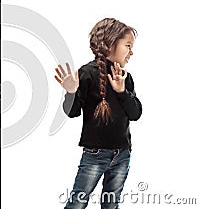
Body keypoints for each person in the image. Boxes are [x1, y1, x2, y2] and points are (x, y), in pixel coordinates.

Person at [54, 17, 142, 208]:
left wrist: (121, 91)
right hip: (95, 155)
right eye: (128, 45)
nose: (132, 52)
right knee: (77, 203)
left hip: (122, 154)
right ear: (110, 44)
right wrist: (70, 92)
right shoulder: (87, 73)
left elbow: (135, 114)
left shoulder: (126, 78)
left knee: (111, 205)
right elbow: (72, 112)